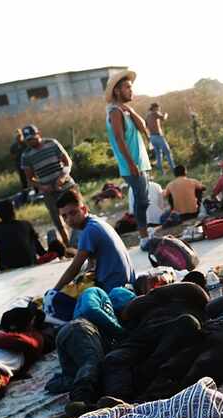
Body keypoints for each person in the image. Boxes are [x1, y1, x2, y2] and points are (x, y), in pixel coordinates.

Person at [53, 188, 135, 293]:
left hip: (115, 291)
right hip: (126, 285)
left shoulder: (90, 230)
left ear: (84, 210)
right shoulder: (96, 222)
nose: (69, 219)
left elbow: (74, 268)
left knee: (60, 299)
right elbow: (90, 264)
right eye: (64, 216)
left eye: (73, 213)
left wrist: (54, 291)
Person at [104, 68, 152, 247]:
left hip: (140, 162)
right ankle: (144, 237)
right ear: (117, 91)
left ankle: (145, 231)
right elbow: (119, 138)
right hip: (132, 165)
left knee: (144, 200)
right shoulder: (114, 112)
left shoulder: (124, 110)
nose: (131, 91)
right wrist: (131, 163)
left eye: (131, 87)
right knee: (142, 201)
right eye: (127, 88)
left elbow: (143, 127)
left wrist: (130, 110)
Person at [19, 125, 74, 246]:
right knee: (58, 219)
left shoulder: (52, 143)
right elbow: (30, 179)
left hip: (65, 185)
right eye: (28, 140)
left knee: (76, 211)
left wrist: (62, 177)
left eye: (33, 138)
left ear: (39, 134)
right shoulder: (26, 155)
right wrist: (42, 186)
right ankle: (69, 245)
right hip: (48, 191)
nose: (31, 142)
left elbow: (67, 162)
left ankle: (84, 240)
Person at [0, 200, 46, 271]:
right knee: (32, 238)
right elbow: (36, 245)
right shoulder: (25, 225)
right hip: (28, 263)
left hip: (6, 266)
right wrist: (44, 255)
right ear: (13, 212)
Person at [145, 102, 175, 174]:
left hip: (152, 137)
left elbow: (146, 126)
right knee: (167, 152)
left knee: (158, 155)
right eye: (158, 108)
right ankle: (174, 169)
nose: (159, 109)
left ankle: (161, 172)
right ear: (155, 108)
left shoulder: (147, 116)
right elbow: (163, 118)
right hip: (158, 136)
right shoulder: (155, 113)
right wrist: (166, 114)